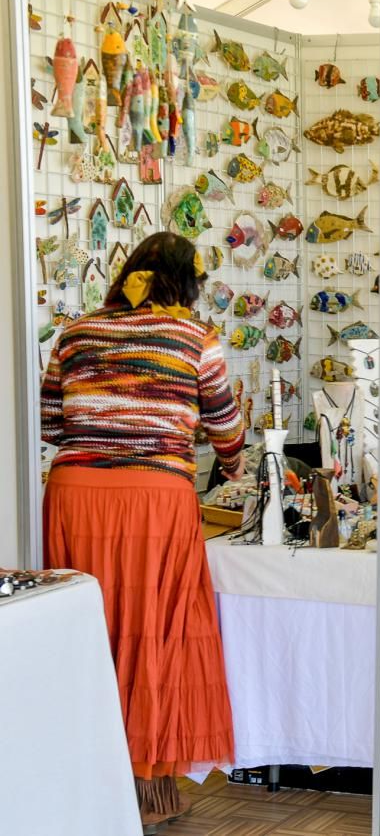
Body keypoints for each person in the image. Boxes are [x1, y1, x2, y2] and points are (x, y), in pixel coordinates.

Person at [41, 233, 246, 828]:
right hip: (156, 500)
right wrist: (231, 469)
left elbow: (54, 423)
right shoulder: (195, 339)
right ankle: (148, 791)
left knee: (85, 634)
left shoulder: (75, 333)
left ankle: (82, 781)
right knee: (153, 634)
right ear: (186, 284)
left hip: (76, 498)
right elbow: (227, 430)